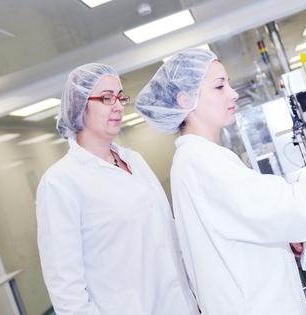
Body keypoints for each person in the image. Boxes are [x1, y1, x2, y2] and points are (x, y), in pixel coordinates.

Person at [135, 48, 306, 314]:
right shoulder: (201, 162)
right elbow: (297, 208)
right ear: (185, 100)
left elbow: (249, 221)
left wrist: (282, 238)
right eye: (219, 86)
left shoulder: (200, 158)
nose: (233, 93)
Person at [36, 63, 198, 315]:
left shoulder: (134, 160)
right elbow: (65, 288)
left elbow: (168, 236)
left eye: (120, 97)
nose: (118, 105)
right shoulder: (60, 182)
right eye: (107, 98)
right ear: (80, 105)